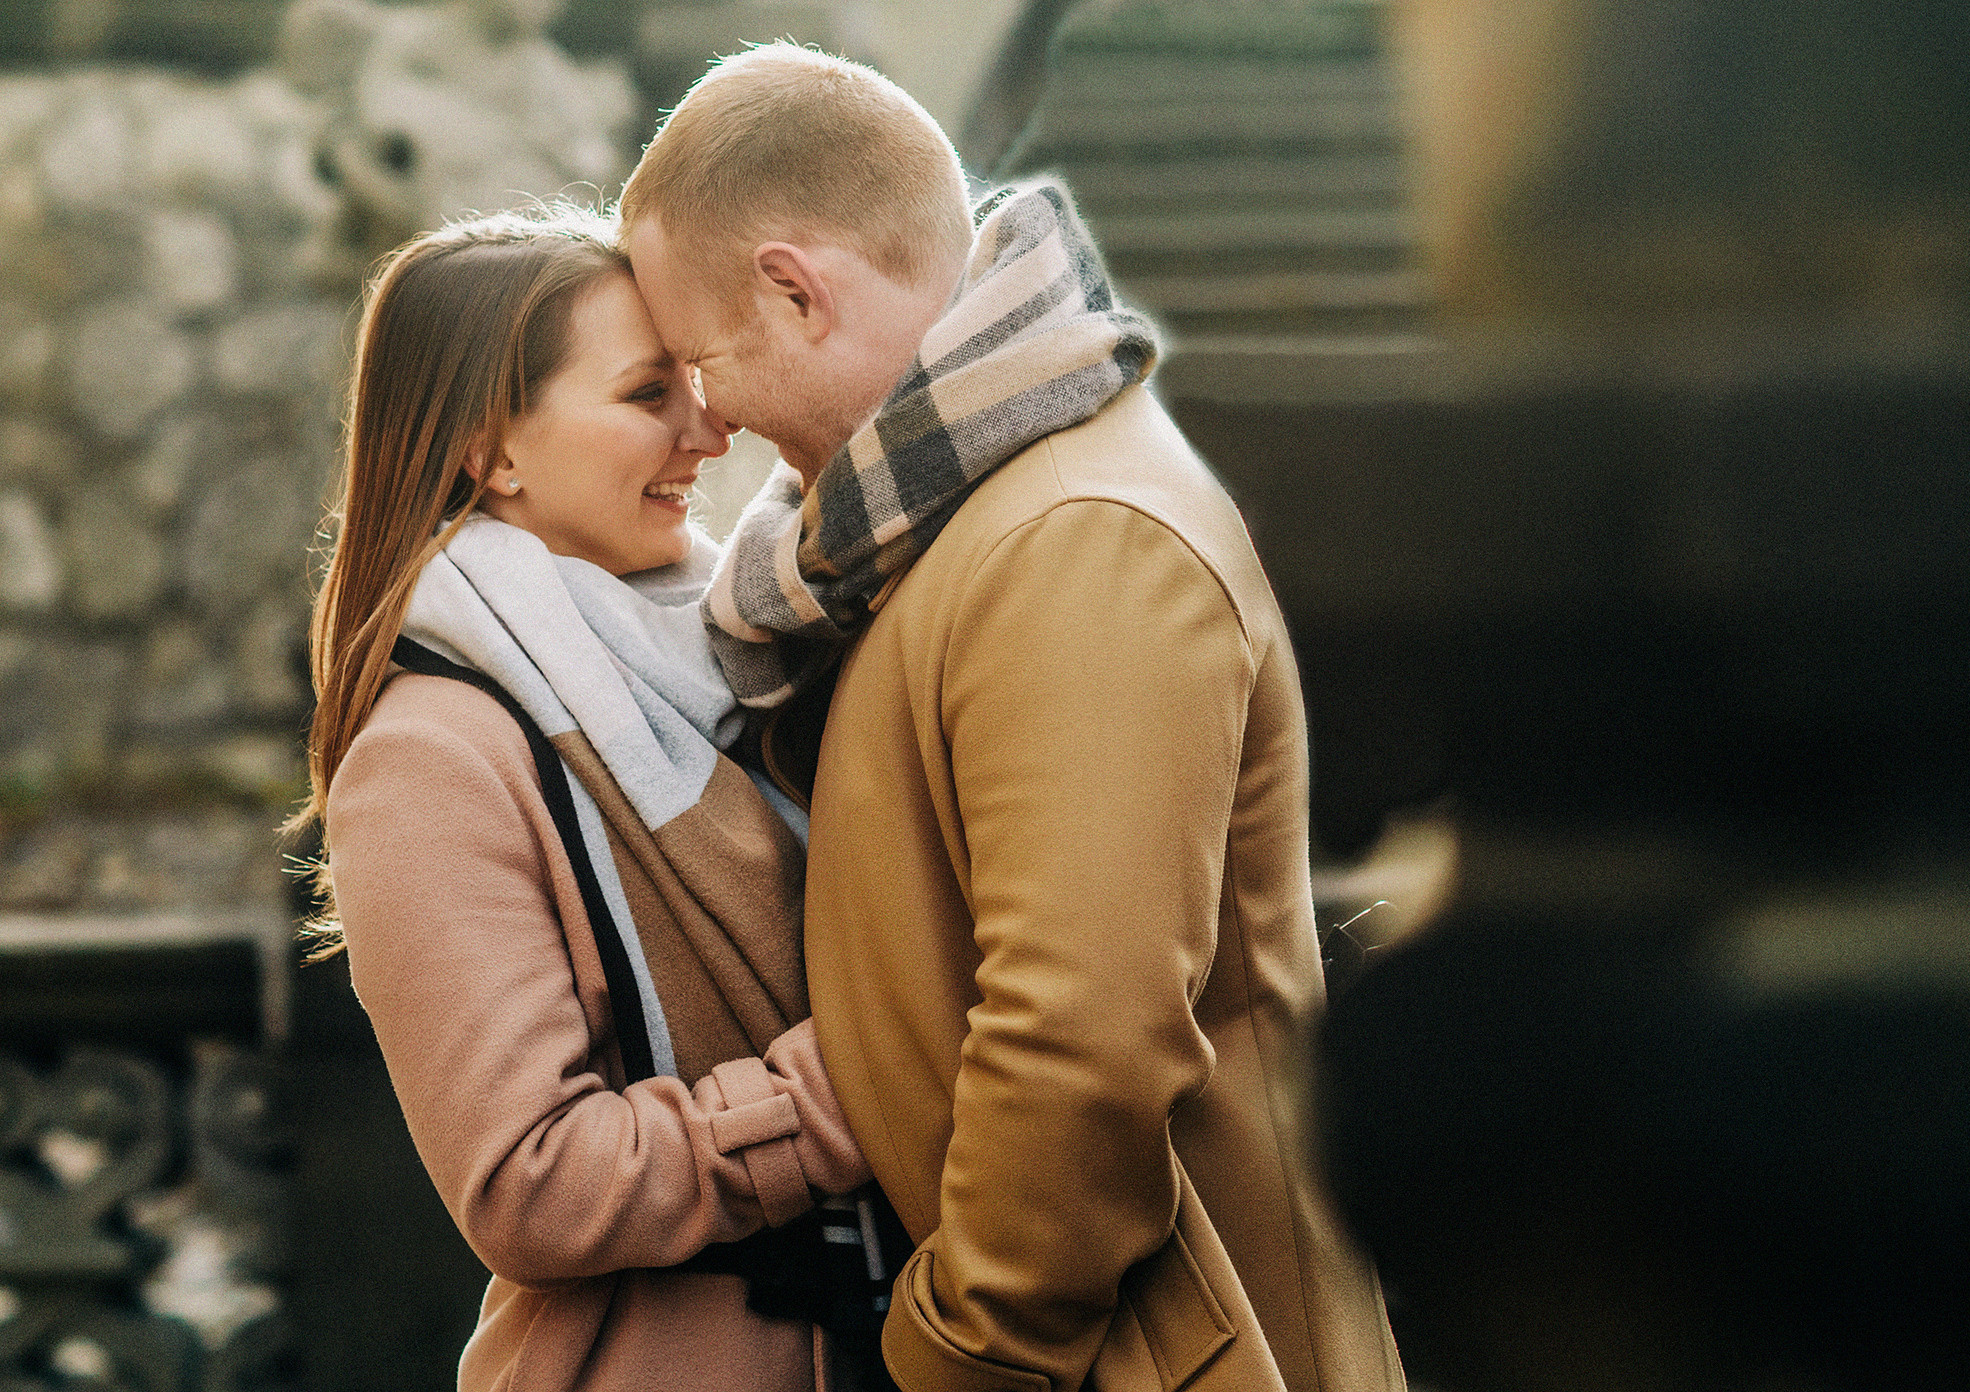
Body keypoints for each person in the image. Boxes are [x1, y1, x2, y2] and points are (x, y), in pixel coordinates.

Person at [617, 45, 1407, 1392]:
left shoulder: (1075, 540)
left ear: (798, 293)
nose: (712, 419)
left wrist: (958, 1349)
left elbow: (1083, 1041)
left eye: (704, 361)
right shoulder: (966, 522)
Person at [293, 205, 887, 1392]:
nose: (707, 433)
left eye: (693, 386)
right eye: (644, 396)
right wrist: (864, 1079)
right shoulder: (432, 760)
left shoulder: (737, 654)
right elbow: (532, 1183)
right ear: (492, 452)